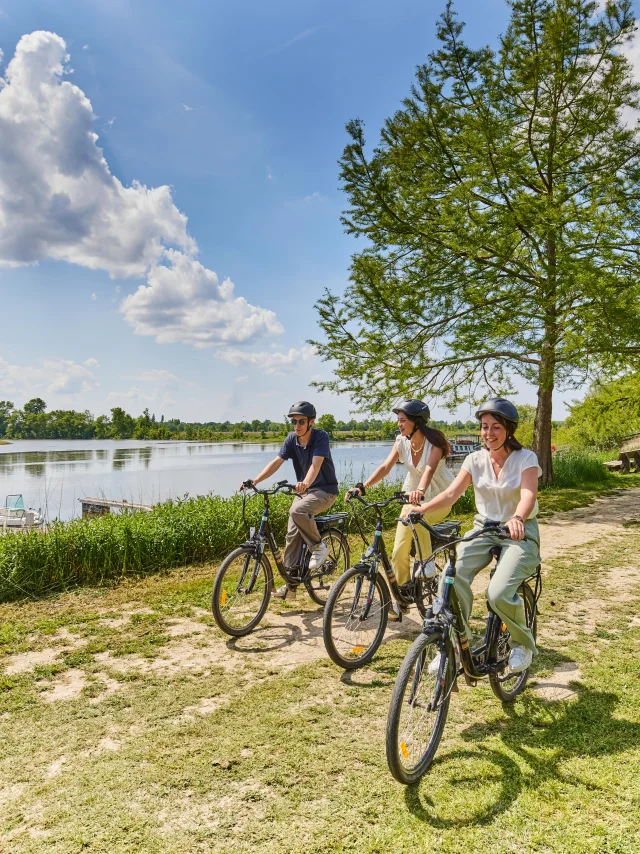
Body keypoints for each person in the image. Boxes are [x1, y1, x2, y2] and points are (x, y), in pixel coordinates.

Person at [415, 398, 541, 673]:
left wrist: (518, 517)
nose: (489, 433)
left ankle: (521, 643)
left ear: (509, 429)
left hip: (518, 531)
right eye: (484, 427)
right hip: (484, 528)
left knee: (497, 593)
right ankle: (455, 644)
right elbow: (451, 494)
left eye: (496, 427)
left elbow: (528, 494)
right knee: (450, 577)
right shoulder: (474, 459)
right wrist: (420, 510)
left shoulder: (526, 458)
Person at [349, 399, 454, 619]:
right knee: (398, 552)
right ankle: (402, 597)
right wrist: (363, 487)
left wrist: (421, 491)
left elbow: (428, 470)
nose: (399, 425)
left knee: (417, 515)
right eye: (398, 420)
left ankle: (426, 563)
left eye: (403, 420)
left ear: (417, 422)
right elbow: (385, 467)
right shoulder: (401, 442)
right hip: (412, 499)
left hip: (438, 497)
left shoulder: (434, 443)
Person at [240, 401, 338, 600]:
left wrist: (306, 483)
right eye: (293, 421)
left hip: (325, 491)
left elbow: (315, 465)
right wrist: (255, 480)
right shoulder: (291, 439)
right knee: (291, 535)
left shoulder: (321, 437)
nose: (297, 425)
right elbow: (277, 462)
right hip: (304, 493)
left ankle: (319, 546)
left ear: (311, 422)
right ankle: (291, 586)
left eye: (301, 421)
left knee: (297, 511)